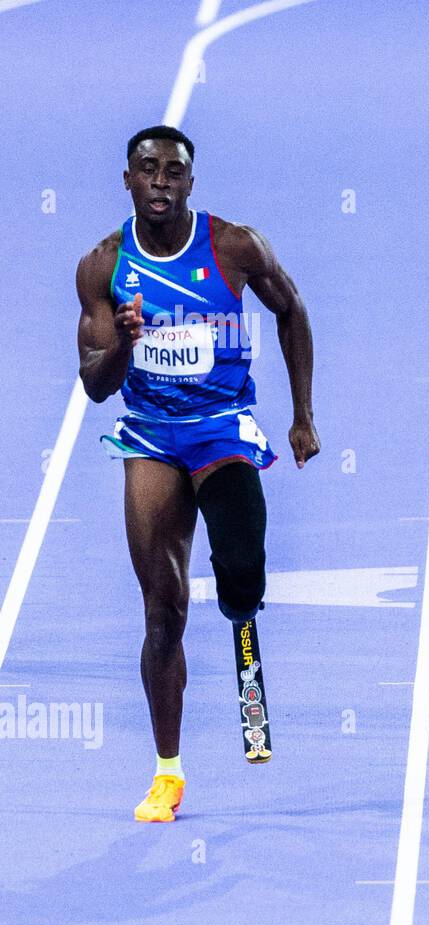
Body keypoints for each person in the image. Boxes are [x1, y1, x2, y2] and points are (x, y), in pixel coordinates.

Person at [76, 125, 319, 819]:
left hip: (222, 429)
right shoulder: (103, 267)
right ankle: (168, 771)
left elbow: (292, 309)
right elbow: (96, 386)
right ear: (127, 180)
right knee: (162, 613)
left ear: (190, 181)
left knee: (242, 567)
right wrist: (124, 342)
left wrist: (303, 416)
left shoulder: (235, 247)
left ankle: (242, 616)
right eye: (146, 170)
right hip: (151, 437)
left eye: (173, 171)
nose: (159, 181)